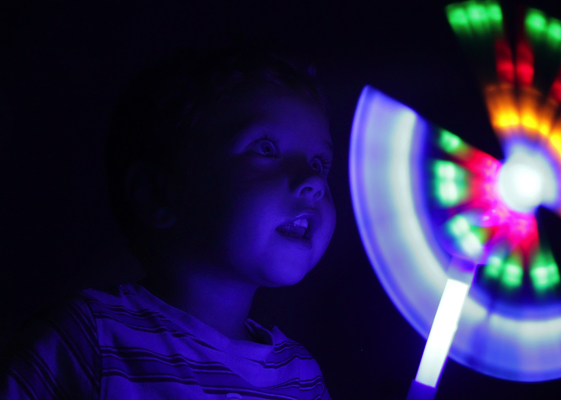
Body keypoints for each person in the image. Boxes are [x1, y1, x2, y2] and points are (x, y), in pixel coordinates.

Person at [0, 47, 336, 399]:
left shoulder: (303, 377)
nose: (312, 182)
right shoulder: (85, 341)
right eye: (266, 148)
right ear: (157, 195)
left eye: (319, 163)